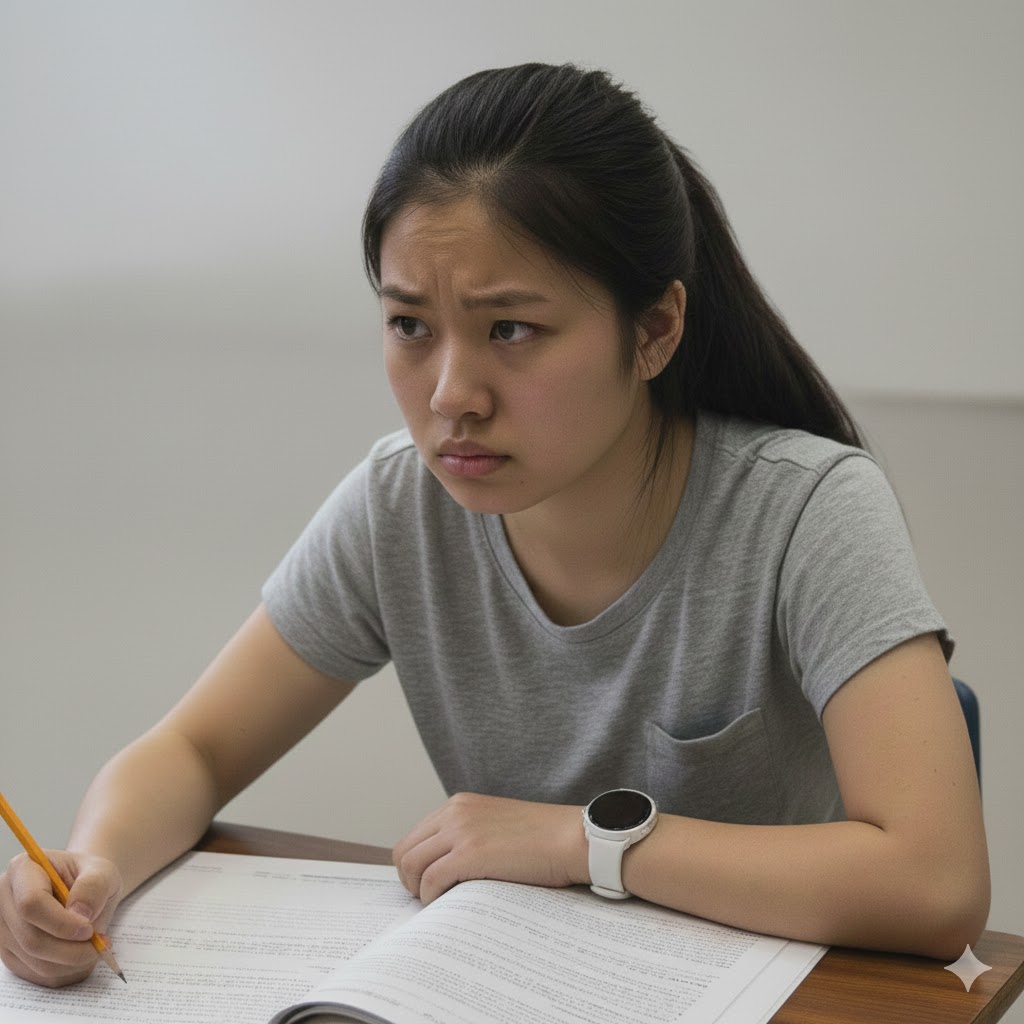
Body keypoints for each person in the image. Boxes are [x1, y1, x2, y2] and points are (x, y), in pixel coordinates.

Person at [0, 62, 988, 988]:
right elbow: (195, 751)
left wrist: (578, 840)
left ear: (654, 331)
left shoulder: (807, 508)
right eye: (408, 326)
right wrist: (93, 865)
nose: (451, 396)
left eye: (510, 330)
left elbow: (935, 883)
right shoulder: (402, 505)